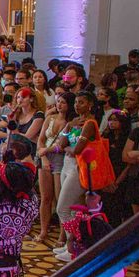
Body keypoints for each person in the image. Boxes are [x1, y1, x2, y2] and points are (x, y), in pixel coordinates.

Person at [53, 92, 100, 262]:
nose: (77, 105)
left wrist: (66, 148)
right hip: (67, 164)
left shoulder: (90, 124)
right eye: (76, 102)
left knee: (62, 207)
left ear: (90, 105)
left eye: (82, 102)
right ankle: (70, 247)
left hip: (79, 167)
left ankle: (74, 246)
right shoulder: (73, 123)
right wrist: (68, 127)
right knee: (73, 209)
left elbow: (77, 150)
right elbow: (60, 145)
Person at [35, 92, 74, 244]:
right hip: (45, 158)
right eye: (58, 102)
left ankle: (62, 235)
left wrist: (46, 150)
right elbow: (41, 140)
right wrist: (43, 156)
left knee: (60, 200)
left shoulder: (71, 123)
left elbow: (64, 145)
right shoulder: (50, 118)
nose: (59, 105)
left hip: (60, 159)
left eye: (63, 102)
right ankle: (43, 230)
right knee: (45, 198)